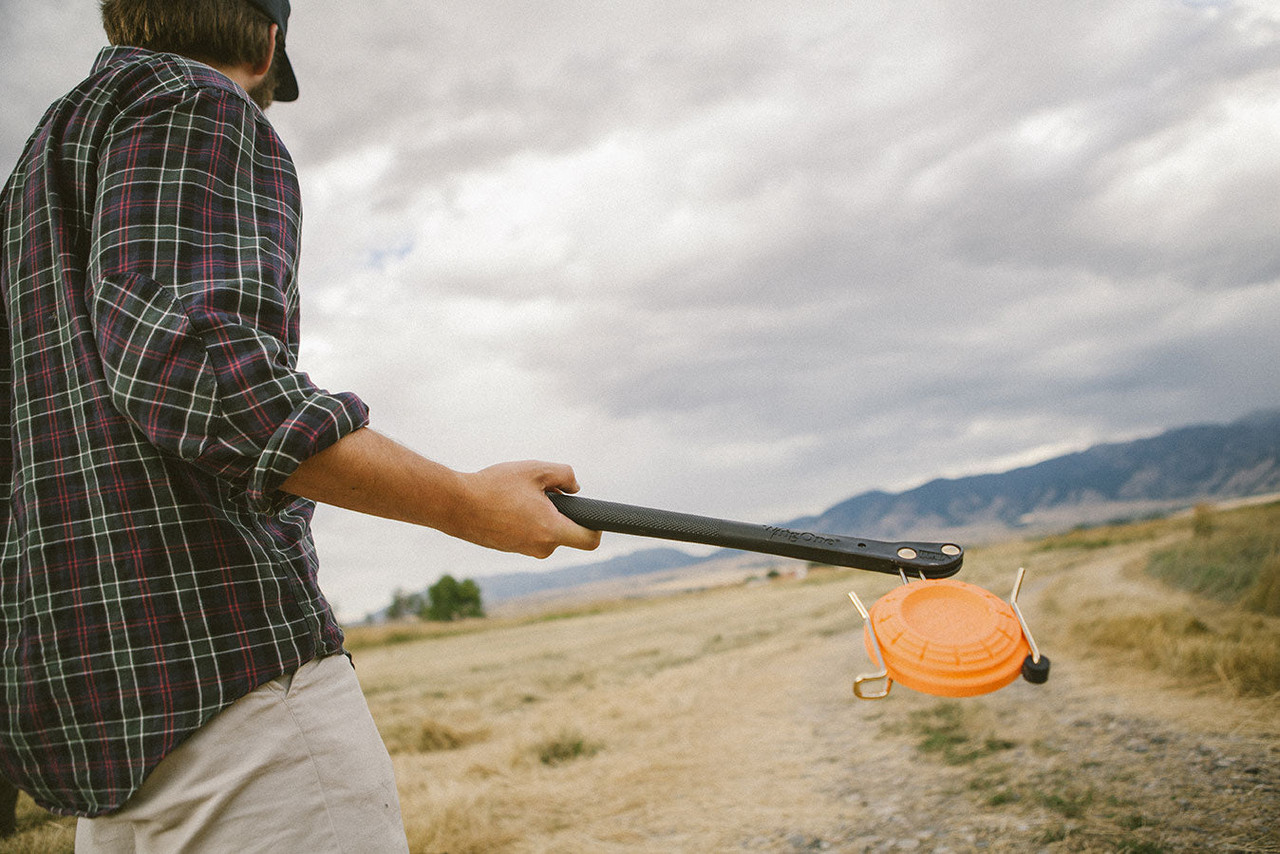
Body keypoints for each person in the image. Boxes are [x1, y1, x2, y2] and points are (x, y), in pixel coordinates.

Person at [0, 0, 601, 849]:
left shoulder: (33, 177)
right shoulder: (198, 104)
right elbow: (198, 373)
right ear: (268, 44)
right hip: (235, 706)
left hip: (100, 745)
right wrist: (469, 503)